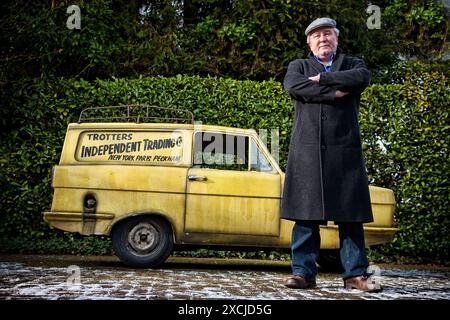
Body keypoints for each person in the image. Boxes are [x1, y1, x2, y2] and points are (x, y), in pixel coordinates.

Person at [281, 17, 379, 292]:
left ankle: (355, 275)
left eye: (327, 34)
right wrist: (335, 93)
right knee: (305, 217)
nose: (322, 39)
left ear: (336, 38)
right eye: (316, 36)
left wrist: (323, 78)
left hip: (345, 153)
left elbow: (361, 78)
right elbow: (294, 86)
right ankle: (303, 274)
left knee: (351, 217)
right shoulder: (297, 66)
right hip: (308, 153)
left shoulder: (353, 63)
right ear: (309, 42)